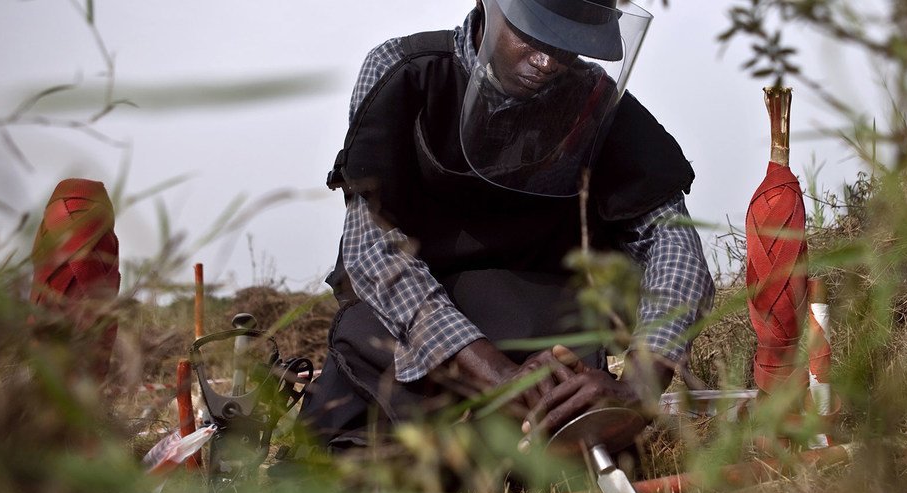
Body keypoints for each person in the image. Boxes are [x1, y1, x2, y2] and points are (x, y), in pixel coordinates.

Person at [298, 0, 714, 451]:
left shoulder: (596, 105)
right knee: (341, 467)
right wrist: (496, 374)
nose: (548, 61)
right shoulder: (408, 74)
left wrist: (640, 384)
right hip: (404, 347)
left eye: (571, 45)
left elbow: (672, 242)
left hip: (541, 336)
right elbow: (372, 247)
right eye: (534, 36)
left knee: (570, 465)